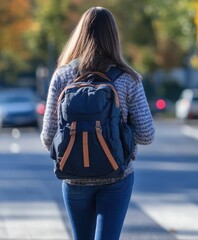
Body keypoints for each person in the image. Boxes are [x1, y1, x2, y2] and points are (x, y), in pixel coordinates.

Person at [40, 6, 155, 240]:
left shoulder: (62, 76)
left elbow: (48, 136)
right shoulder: (128, 78)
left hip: (74, 176)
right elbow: (146, 134)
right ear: (113, 36)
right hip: (117, 175)